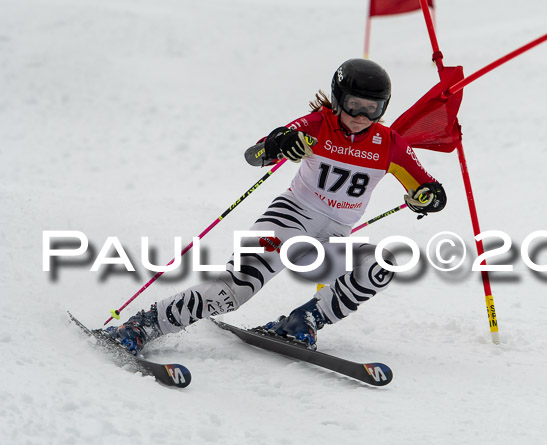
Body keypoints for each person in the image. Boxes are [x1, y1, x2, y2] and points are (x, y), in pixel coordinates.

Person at [106, 58, 447, 354]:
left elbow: (428, 187)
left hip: (330, 243)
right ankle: (141, 326)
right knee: (237, 288)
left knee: (380, 264)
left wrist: (429, 197)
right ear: (339, 100)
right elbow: (256, 154)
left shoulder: (390, 145)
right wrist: (282, 142)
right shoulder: (318, 125)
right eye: (355, 104)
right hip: (288, 222)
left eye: (372, 109)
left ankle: (305, 320)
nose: (361, 116)